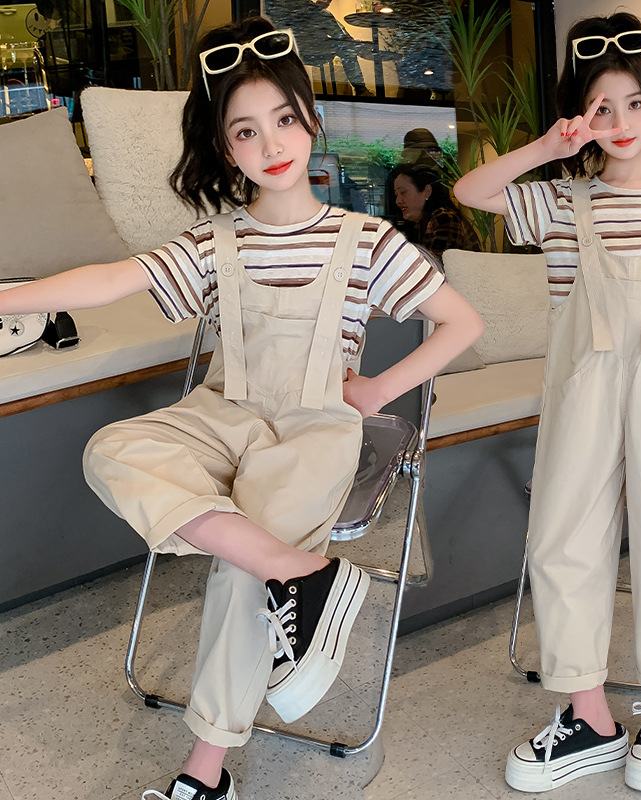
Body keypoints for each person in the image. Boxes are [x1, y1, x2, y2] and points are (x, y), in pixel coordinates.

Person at [1, 16, 483, 800]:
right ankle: (309, 576)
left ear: (312, 118)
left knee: (239, 561)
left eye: (285, 119)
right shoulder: (215, 240)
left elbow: (463, 323)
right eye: (246, 131)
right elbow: (110, 280)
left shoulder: (367, 240)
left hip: (315, 426)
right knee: (110, 451)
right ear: (227, 150)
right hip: (221, 412)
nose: (271, 144)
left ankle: (204, 776)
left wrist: (375, 392)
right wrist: (7, 297)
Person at [454, 11, 641, 795]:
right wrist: (547, 149)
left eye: (634, 103)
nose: (621, 121)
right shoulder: (559, 201)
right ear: (578, 117)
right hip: (581, 390)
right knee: (563, 535)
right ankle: (590, 717)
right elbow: (471, 190)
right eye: (601, 107)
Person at [393, 164, 481, 261]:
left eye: (403, 192)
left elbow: (435, 266)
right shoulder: (424, 222)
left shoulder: (446, 218)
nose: (398, 201)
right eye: (396, 195)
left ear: (427, 191)